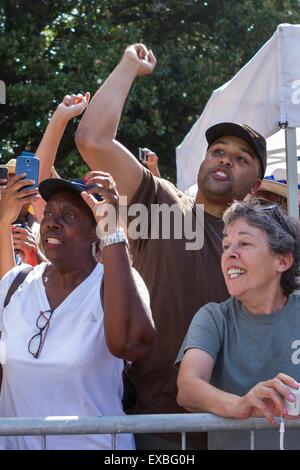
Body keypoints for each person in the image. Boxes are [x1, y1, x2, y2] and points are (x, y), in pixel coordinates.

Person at [75, 43, 267, 449]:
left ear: (254, 187)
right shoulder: (159, 203)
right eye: (218, 151)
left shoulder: (266, 241)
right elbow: (93, 140)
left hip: (234, 425)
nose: (226, 159)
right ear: (202, 163)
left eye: (241, 158)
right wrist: (127, 65)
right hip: (153, 423)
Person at [0, 172, 155, 450]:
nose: (52, 223)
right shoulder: (16, 283)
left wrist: (113, 234)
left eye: (69, 216)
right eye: (48, 214)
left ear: (96, 230)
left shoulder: (116, 283)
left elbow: (131, 345)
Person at [176, 199, 300, 450]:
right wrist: (240, 405)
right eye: (226, 245)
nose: (230, 253)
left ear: (282, 261)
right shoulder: (213, 317)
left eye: (244, 243)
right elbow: (188, 388)